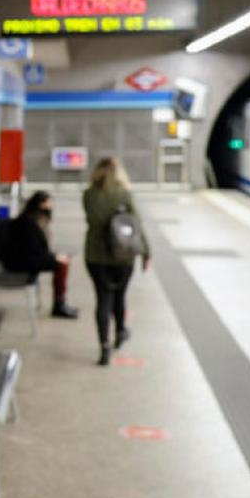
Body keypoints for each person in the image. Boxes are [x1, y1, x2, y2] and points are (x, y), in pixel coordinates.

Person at [82, 157, 151, 367]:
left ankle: (104, 347)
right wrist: (146, 252)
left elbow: (92, 220)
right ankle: (120, 331)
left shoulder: (88, 195)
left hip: (95, 255)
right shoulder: (124, 195)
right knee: (119, 296)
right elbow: (137, 225)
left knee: (103, 298)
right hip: (123, 255)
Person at [0, 191, 79, 318]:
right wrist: (53, 258)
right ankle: (59, 304)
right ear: (41, 204)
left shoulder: (31, 219)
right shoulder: (30, 223)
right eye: (48, 203)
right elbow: (33, 251)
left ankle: (60, 302)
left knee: (62, 260)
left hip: (23, 258)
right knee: (62, 264)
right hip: (21, 262)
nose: (51, 206)